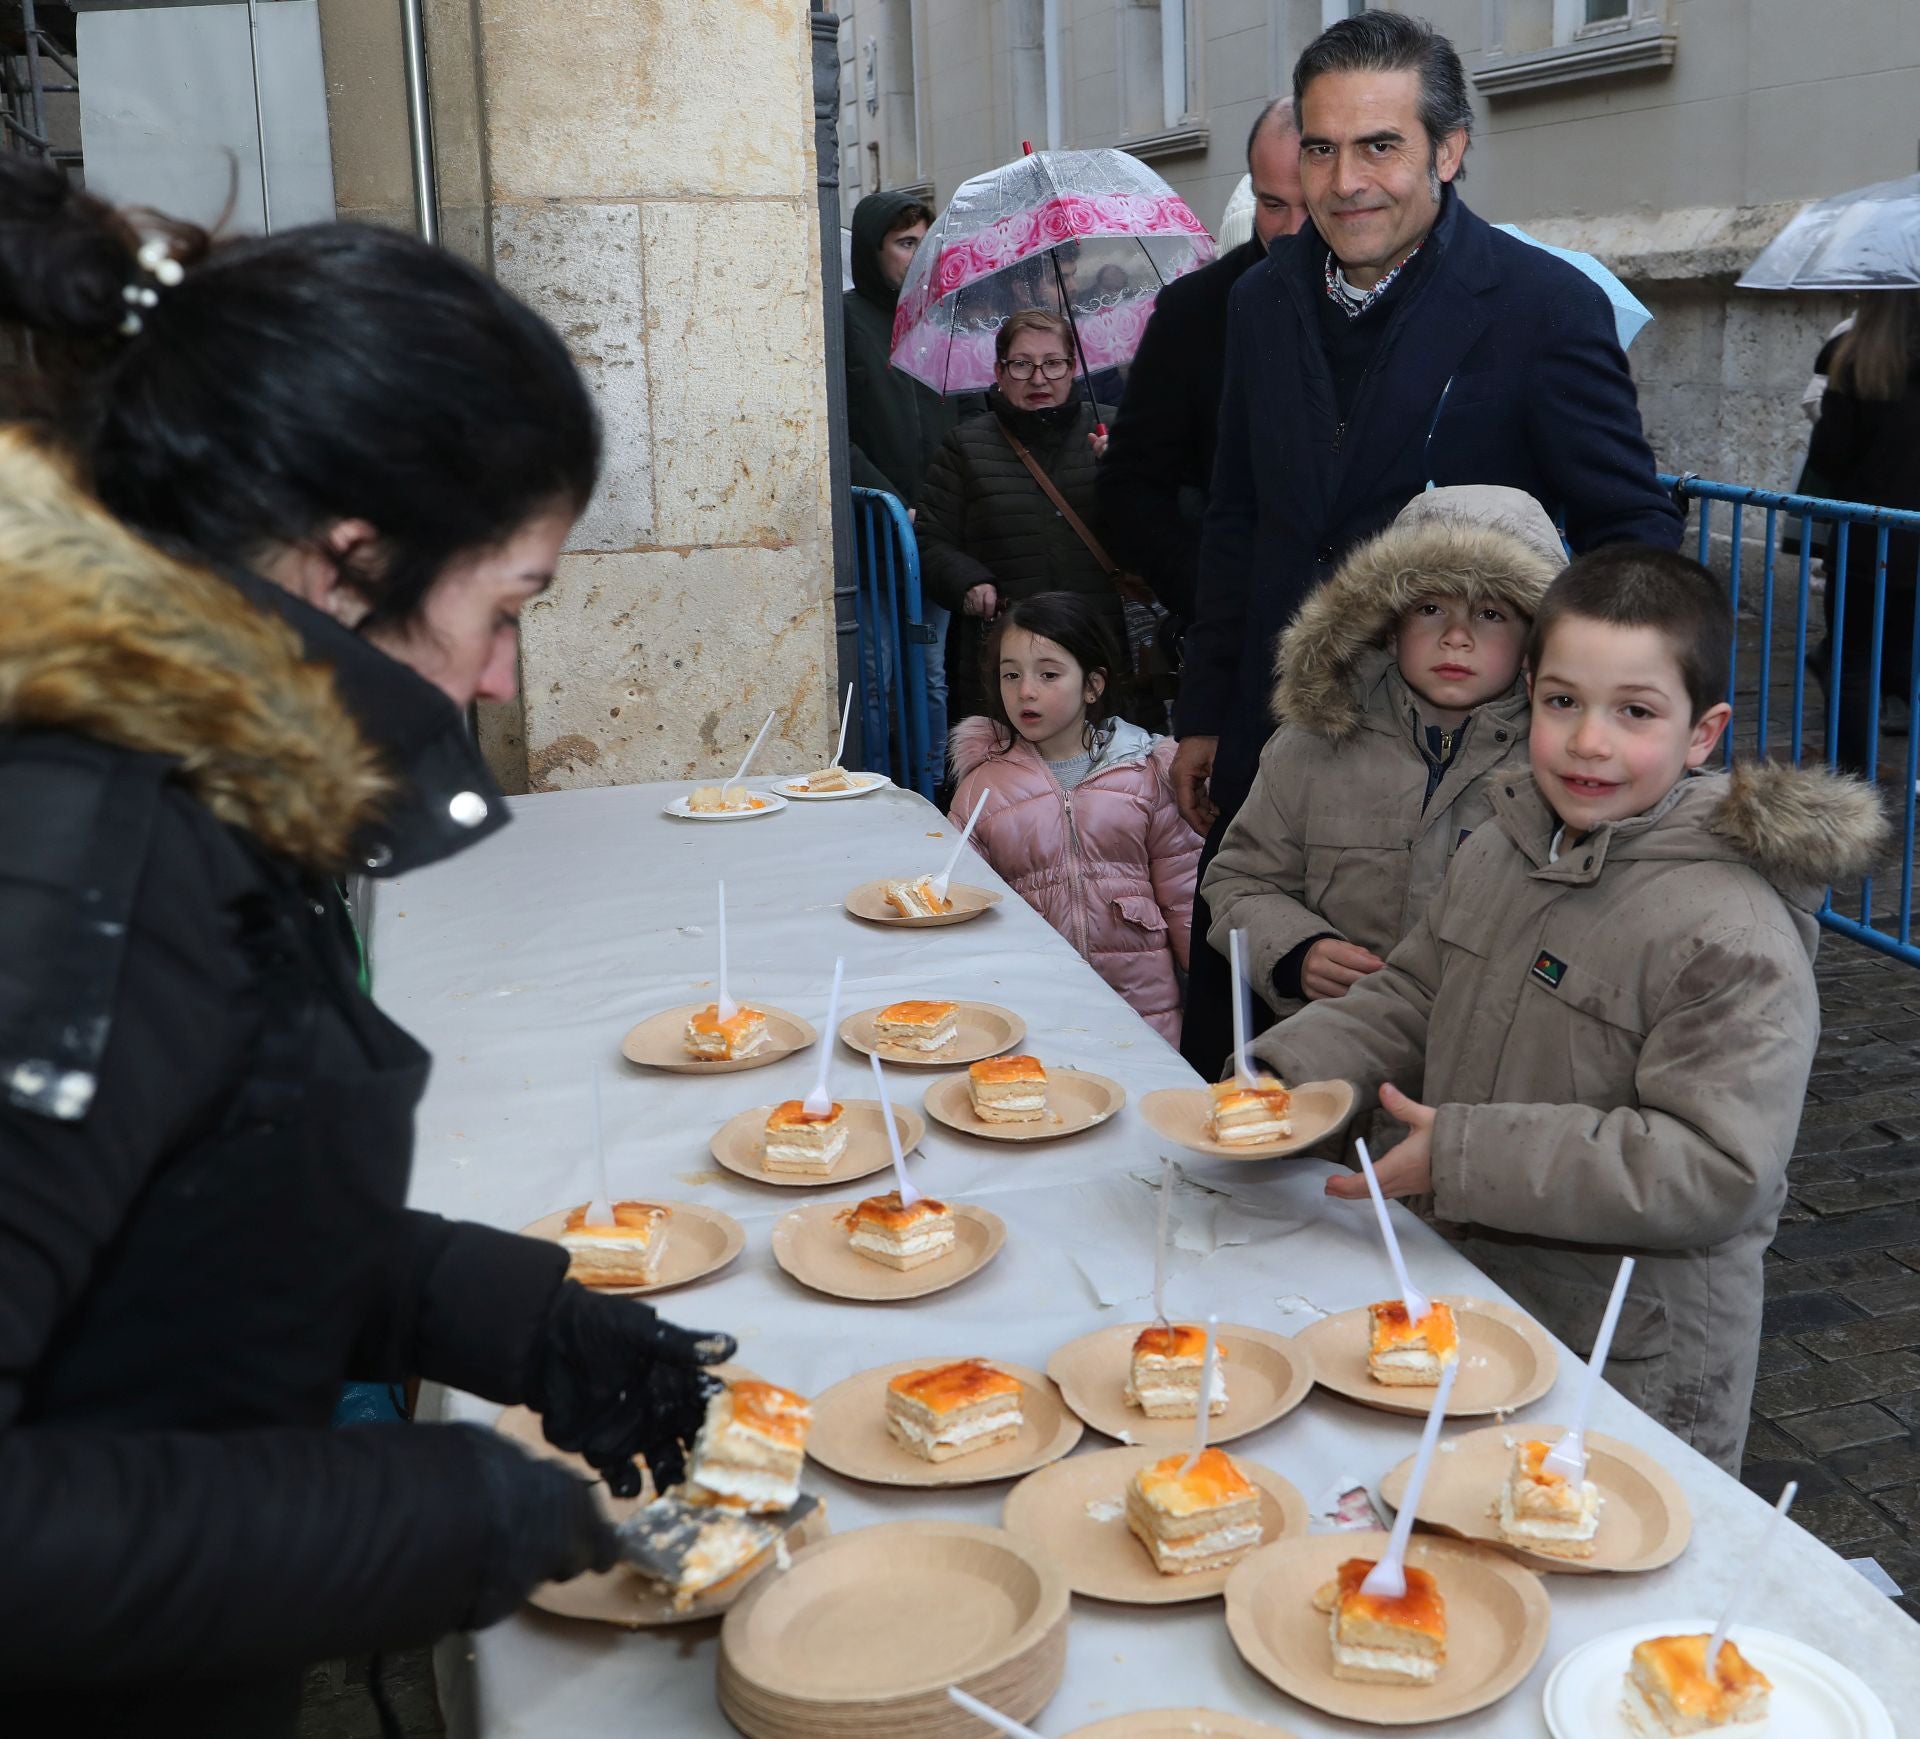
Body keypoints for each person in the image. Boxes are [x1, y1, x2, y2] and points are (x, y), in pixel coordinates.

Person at [0, 164, 736, 1733]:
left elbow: (172, 1234)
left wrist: (499, 1312)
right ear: (347, 559)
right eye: (510, 600)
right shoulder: (78, 858)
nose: (497, 675)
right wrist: (437, 1513)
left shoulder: (181, 775)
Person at [1252, 546, 1886, 1473]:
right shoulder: (1503, 845)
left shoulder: (1731, 931)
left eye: (1634, 712)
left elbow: (1715, 1168)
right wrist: (1283, 1078)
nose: (1590, 741)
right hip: (1474, 1298)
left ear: (1702, 733)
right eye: (1562, 703)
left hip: (1626, 1360)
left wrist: (1464, 1155)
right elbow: (1416, 992)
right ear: (1529, 701)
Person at [1171, 12, 1682, 1077]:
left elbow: (1633, 537)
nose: (1346, 179)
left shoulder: (1543, 307)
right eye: (1321, 147)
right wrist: (1206, 710)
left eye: (1380, 145)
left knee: (1440, 1060)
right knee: (1255, 1057)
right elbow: (1239, 515)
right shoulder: (1262, 300)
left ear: (1448, 151)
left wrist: (1608, 727)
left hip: (1461, 776)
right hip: (1286, 738)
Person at [1202, 485, 1559, 1022]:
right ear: (1389, 626)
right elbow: (1239, 879)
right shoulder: (1313, 744)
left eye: (1491, 613)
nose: (1456, 637)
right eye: (1432, 607)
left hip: (1490, 1069)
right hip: (1330, 1057)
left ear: (1535, 636)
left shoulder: (1564, 765)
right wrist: (1296, 952)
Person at [948, 593, 1200, 1042]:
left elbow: (1185, 896)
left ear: (1092, 685)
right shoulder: (980, 790)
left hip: (1144, 1014)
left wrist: (1210, 995)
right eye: (1011, 674)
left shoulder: (1148, 774)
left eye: (1048, 674)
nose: (1026, 690)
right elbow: (959, 904)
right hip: (1033, 1013)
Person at [1098, 97, 1308, 623]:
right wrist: (1213, 596)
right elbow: (1129, 486)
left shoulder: (1390, 296)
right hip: (1241, 636)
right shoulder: (1195, 310)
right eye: (1273, 204)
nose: (1291, 231)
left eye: (1310, 205)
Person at [915, 310, 1118, 721]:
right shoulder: (965, 446)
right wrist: (967, 580)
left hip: (1103, 648)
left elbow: (1163, 529)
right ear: (1000, 371)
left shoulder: (1113, 432)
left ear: (1073, 368)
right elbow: (930, 540)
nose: (1039, 378)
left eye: (1053, 363)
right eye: (1022, 364)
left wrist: (1125, 474)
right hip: (1008, 656)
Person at [843, 189, 963, 756]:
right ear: (874, 249)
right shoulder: (845, 319)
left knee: (930, 669)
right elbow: (837, 428)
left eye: (924, 242)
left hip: (936, 529)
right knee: (876, 672)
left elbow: (968, 412)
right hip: (876, 530)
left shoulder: (940, 320)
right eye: (904, 242)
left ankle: (932, 781)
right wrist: (890, 500)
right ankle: (879, 780)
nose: (917, 255)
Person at [1804, 290, 1920, 775]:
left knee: (1853, 663)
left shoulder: (1857, 358)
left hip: (1866, 539)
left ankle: (1852, 779)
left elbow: (1829, 458)